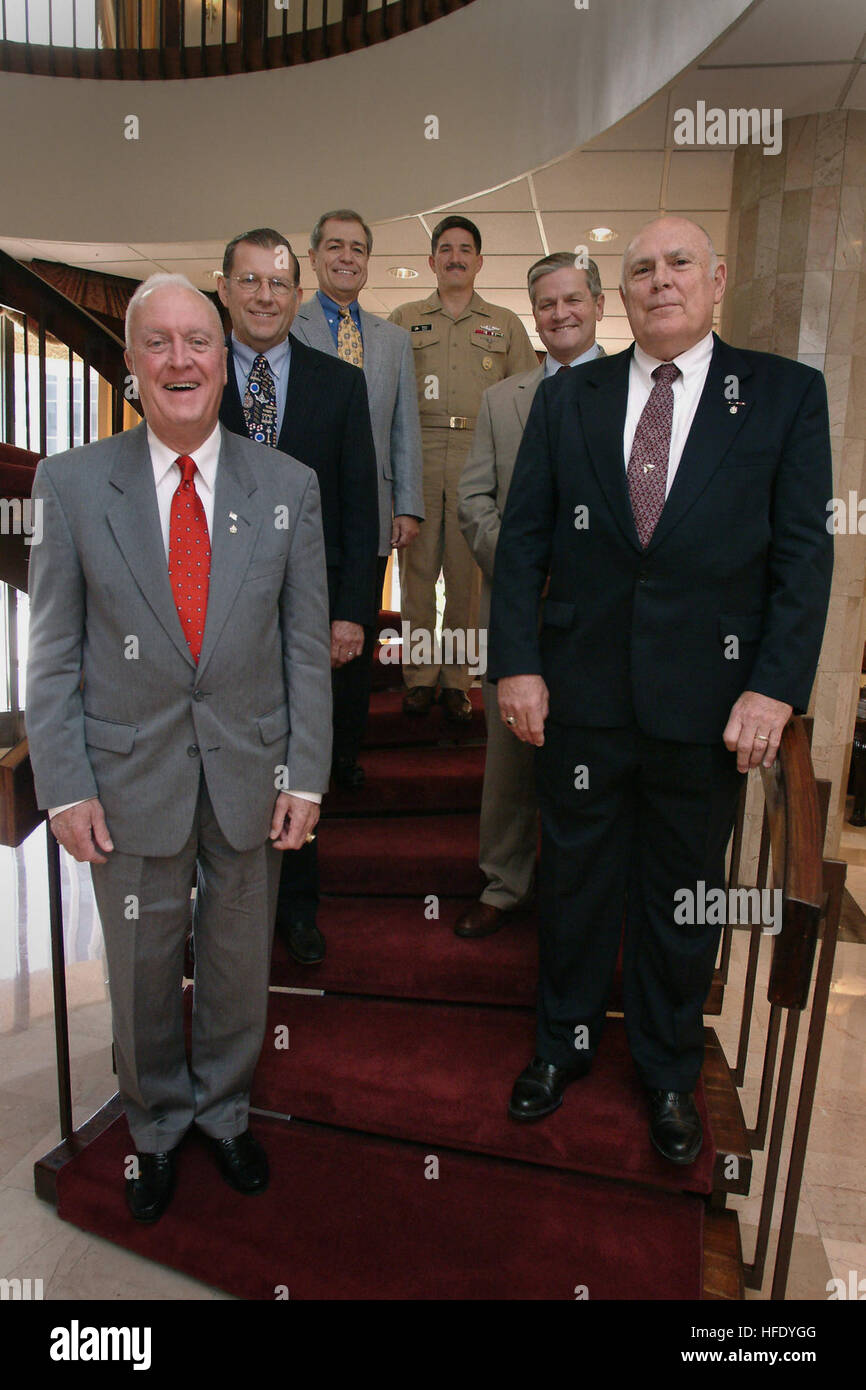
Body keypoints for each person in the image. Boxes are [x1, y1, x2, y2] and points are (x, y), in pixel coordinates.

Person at [489, 217, 833, 1163]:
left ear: (716, 279)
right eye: (641, 269)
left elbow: (804, 555)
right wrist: (517, 663)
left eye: (679, 264)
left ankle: (671, 1072)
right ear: (622, 294)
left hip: (712, 710)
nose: (660, 281)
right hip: (581, 697)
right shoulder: (572, 400)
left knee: (684, 896)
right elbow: (523, 541)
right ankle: (560, 1045)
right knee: (577, 885)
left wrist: (777, 689)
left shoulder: (784, 396)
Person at [25, 274, 333, 1223]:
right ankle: (156, 1126)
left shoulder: (289, 486)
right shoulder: (73, 484)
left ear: (225, 357)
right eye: (155, 343)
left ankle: (226, 1112)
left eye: (197, 340)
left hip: (254, 770)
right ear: (130, 364)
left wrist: (309, 775)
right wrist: (64, 786)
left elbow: (304, 646)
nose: (179, 360)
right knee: (143, 970)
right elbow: (51, 656)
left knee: (239, 964)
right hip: (127, 782)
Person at [218, 228, 379, 965]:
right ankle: (225, 912)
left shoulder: (340, 384)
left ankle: (298, 907)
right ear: (225, 289)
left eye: (278, 284)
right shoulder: (196, 373)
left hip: (311, 613)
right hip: (213, 617)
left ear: (297, 292)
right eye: (249, 282)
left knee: (300, 756)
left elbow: (358, 509)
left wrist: (353, 610)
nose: (264, 296)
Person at [456, 252, 605, 938]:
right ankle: (503, 883)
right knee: (511, 762)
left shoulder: (637, 391)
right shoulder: (503, 399)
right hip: (517, 614)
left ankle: (580, 897)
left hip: (603, 621)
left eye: (572, 300)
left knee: (588, 760)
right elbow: (473, 500)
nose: (560, 314)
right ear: (533, 315)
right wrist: (524, 569)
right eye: (546, 304)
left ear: (598, 305)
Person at [291, 208, 424, 786]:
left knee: (354, 642)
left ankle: (344, 757)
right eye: (335, 247)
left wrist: (408, 504)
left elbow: (404, 429)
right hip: (299, 516)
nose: (347, 257)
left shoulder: (394, 341)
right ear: (316, 256)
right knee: (299, 642)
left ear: (368, 262)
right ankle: (300, 760)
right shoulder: (286, 328)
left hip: (369, 517)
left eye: (358, 249)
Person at [390, 215, 537, 722]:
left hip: (480, 456)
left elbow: (526, 400)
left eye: (465, 249)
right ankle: (418, 677)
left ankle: (457, 680)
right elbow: (386, 400)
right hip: (419, 452)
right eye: (445, 249)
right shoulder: (403, 318)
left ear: (479, 261)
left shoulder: (504, 324)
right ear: (432, 261)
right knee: (416, 574)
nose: (455, 257)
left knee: (467, 576)